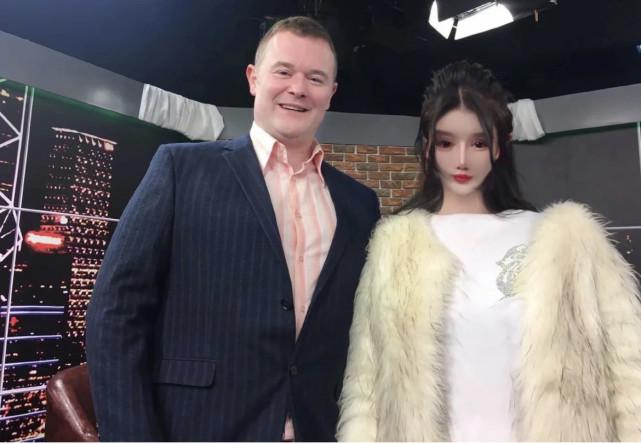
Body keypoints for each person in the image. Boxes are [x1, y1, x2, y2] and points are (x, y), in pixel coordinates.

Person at [86, 16, 380, 441]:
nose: (298, 88)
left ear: (331, 93)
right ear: (253, 79)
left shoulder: (359, 204)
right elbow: (115, 314)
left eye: (315, 78)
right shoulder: (181, 169)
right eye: (283, 71)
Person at [336, 60, 641, 441]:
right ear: (428, 147)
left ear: (499, 146)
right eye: (447, 143)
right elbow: (367, 391)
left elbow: (628, 374)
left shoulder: (566, 239)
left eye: (478, 142)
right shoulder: (395, 249)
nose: (462, 159)